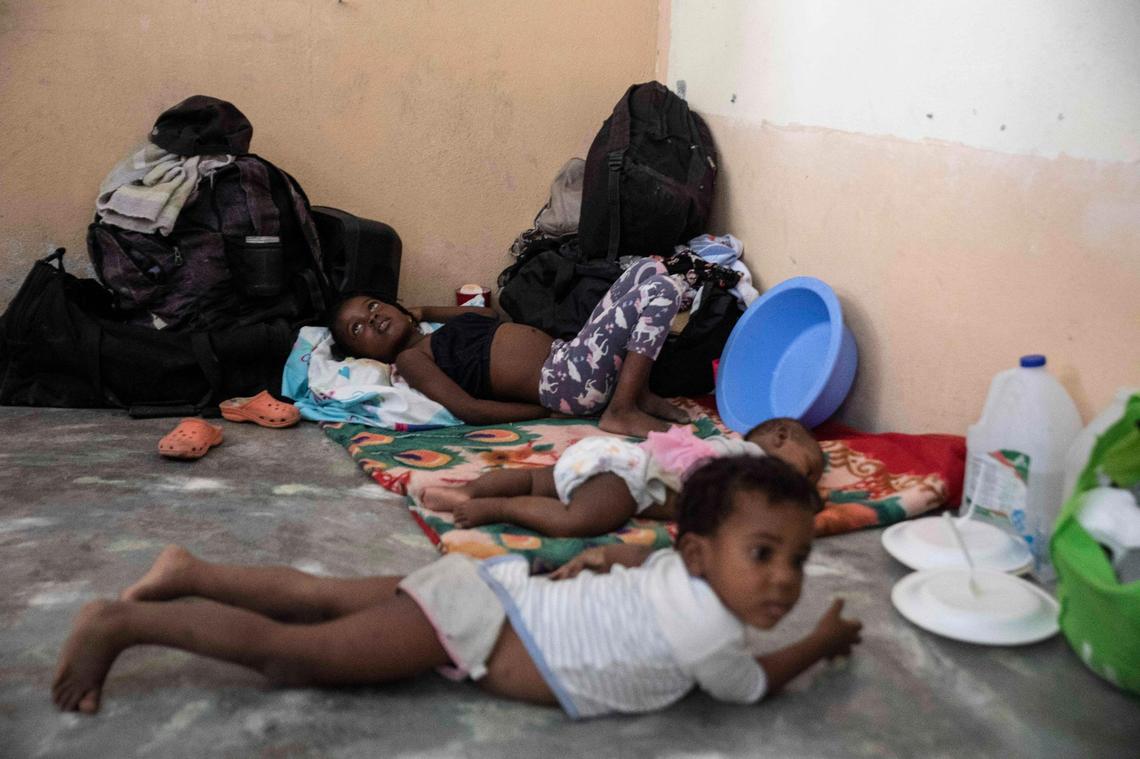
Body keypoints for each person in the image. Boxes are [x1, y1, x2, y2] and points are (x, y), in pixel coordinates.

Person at [52, 456, 862, 719]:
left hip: (488, 587)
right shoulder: (713, 635)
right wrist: (818, 642)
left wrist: (591, 564)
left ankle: (189, 572)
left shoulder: (673, 572)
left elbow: (629, 560)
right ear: (696, 552)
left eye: (795, 558)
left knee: (323, 594)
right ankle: (119, 625)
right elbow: (750, 684)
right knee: (294, 654)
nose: (785, 578)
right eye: (763, 553)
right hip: (474, 624)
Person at [330, 258, 690, 438]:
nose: (372, 319)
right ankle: (621, 410)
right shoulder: (411, 359)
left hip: (571, 355)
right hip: (567, 383)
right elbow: (468, 408)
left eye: (374, 306)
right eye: (358, 328)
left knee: (646, 270)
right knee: (664, 291)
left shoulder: (434, 333)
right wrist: (544, 414)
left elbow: (485, 312)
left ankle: (637, 393)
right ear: (367, 355)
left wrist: (420, 312)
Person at [420, 416, 824, 538]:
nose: (804, 482)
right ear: (780, 438)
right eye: (807, 470)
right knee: (576, 520)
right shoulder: (752, 459)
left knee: (535, 480)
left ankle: (466, 488)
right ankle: (495, 507)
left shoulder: (725, 445)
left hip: (602, 455)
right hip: (626, 476)